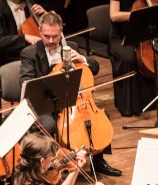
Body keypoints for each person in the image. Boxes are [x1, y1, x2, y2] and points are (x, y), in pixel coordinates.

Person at [19, 12, 121, 177]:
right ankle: (52, 167)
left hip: (75, 102)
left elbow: (94, 68)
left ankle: (98, 161)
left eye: (55, 36)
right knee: (49, 124)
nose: (51, 41)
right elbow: (25, 83)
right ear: (39, 31)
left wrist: (82, 58)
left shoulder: (71, 46)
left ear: (61, 32)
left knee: (102, 117)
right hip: (48, 104)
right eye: (46, 36)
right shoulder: (29, 53)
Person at [108, 0, 158, 117]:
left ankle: (151, 101)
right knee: (130, 58)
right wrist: (135, 15)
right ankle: (130, 106)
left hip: (139, 36)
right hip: (120, 37)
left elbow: (155, 10)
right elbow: (114, 15)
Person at [13, 133, 104, 185]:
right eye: (51, 157)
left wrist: (76, 169)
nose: (53, 160)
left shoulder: (21, 174)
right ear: (42, 161)